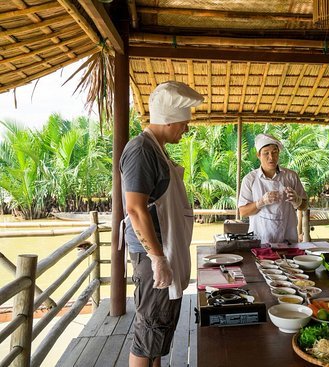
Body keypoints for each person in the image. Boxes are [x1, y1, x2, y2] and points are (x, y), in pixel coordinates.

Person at [120, 81, 203, 367]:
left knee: (160, 331)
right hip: (152, 254)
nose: (186, 129)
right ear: (169, 120)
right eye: (184, 122)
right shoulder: (142, 150)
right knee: (149, 331)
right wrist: (157, 258)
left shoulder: (158, 150)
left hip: (164, 251)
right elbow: (134, 208)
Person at [238, 133, 307, 244]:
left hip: (288, 240)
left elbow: (304, 205)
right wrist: (261, 202)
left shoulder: (291, 176)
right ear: (258, 155)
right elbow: (243, 212)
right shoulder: (250, 179)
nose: (271, 157)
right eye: (266, 153)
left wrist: (297, 200)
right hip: (259, 241)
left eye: (275, 152)